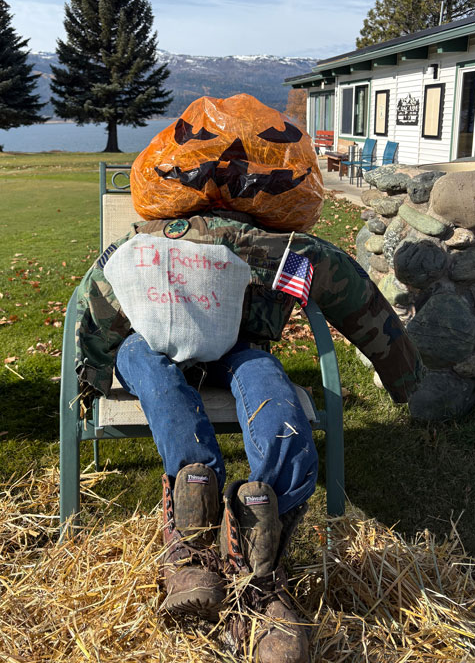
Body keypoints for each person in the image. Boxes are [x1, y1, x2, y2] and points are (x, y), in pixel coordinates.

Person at [76, 209, 424, 663]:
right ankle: (193, 546)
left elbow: (339, 284)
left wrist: (402, 372)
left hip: (232, 340)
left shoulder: (271, 243)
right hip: (147, 336)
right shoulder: (148, 239)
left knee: (273, 400)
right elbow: (96, 305)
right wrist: (97, 368)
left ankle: (258, 574)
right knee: (162, 386)